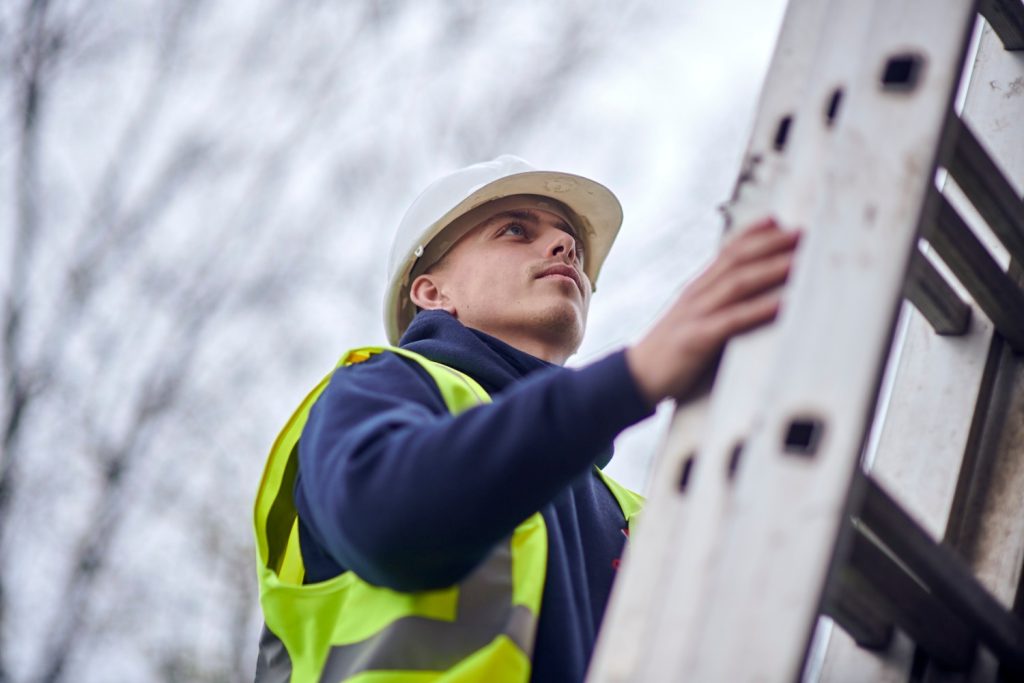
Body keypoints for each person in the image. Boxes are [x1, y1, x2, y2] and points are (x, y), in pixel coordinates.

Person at [253, 156, 800, 683]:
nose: (565, 247)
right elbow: (391, 522)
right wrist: (633, 377)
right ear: (431, 292)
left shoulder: (634, 514)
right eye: (515, 230)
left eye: (571, 243)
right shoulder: (378, 387)